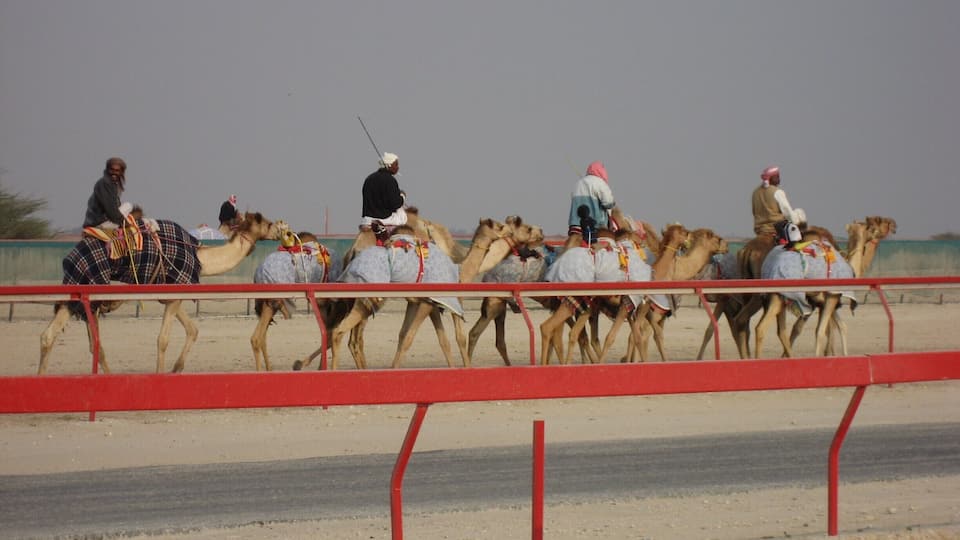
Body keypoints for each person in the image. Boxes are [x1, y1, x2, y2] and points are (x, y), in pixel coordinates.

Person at [564, 160, 616, 248]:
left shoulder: (578, 184)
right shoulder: (600, 183)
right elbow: (609, 203)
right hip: (594, 228)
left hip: (575, 227)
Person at [751, 165, 805, 237]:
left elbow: (754, 213)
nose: (779, 179)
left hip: (760, 231)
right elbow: (788, 213)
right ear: (771, 178)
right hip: (776, 230)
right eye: (777, 177)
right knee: (799, 212)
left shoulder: (755, 192)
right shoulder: (777, 192)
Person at [360, 152, 407, 230]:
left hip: (367, 220)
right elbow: (395, 204)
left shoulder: (369, 178)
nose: (398, 167)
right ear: (389, 165)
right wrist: (402, 196)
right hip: (384, 219)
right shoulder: (390, 180)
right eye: (396, 164)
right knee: (403, 217)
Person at [83, 157, 133, 229]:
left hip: (100, 221)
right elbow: (111, 210)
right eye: (112, 170)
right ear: (107, 169)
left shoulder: (111, 184)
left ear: (121, 172)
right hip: (98, 223)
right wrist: (125, 223)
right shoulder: (105, 184)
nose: (114, 173)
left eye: (117, 170)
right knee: (128, 205)